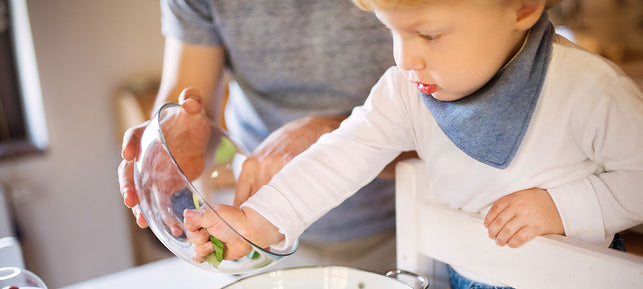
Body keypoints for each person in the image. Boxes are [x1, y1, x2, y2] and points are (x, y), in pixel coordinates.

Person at [182, 0, 643, 288]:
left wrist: (561, 209)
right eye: (392, 32)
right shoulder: (407, 87)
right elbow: (342, 155)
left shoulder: (588, 90)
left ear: (521, 7)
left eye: (428, 35)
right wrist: (258, 221)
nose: (405, 57)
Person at [118, 0, 407, 273]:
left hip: (403, 227)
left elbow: (432, 123)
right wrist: (169, 149)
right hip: (260, 245)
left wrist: (336, 137)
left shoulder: (406, 79)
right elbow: (188, 96)